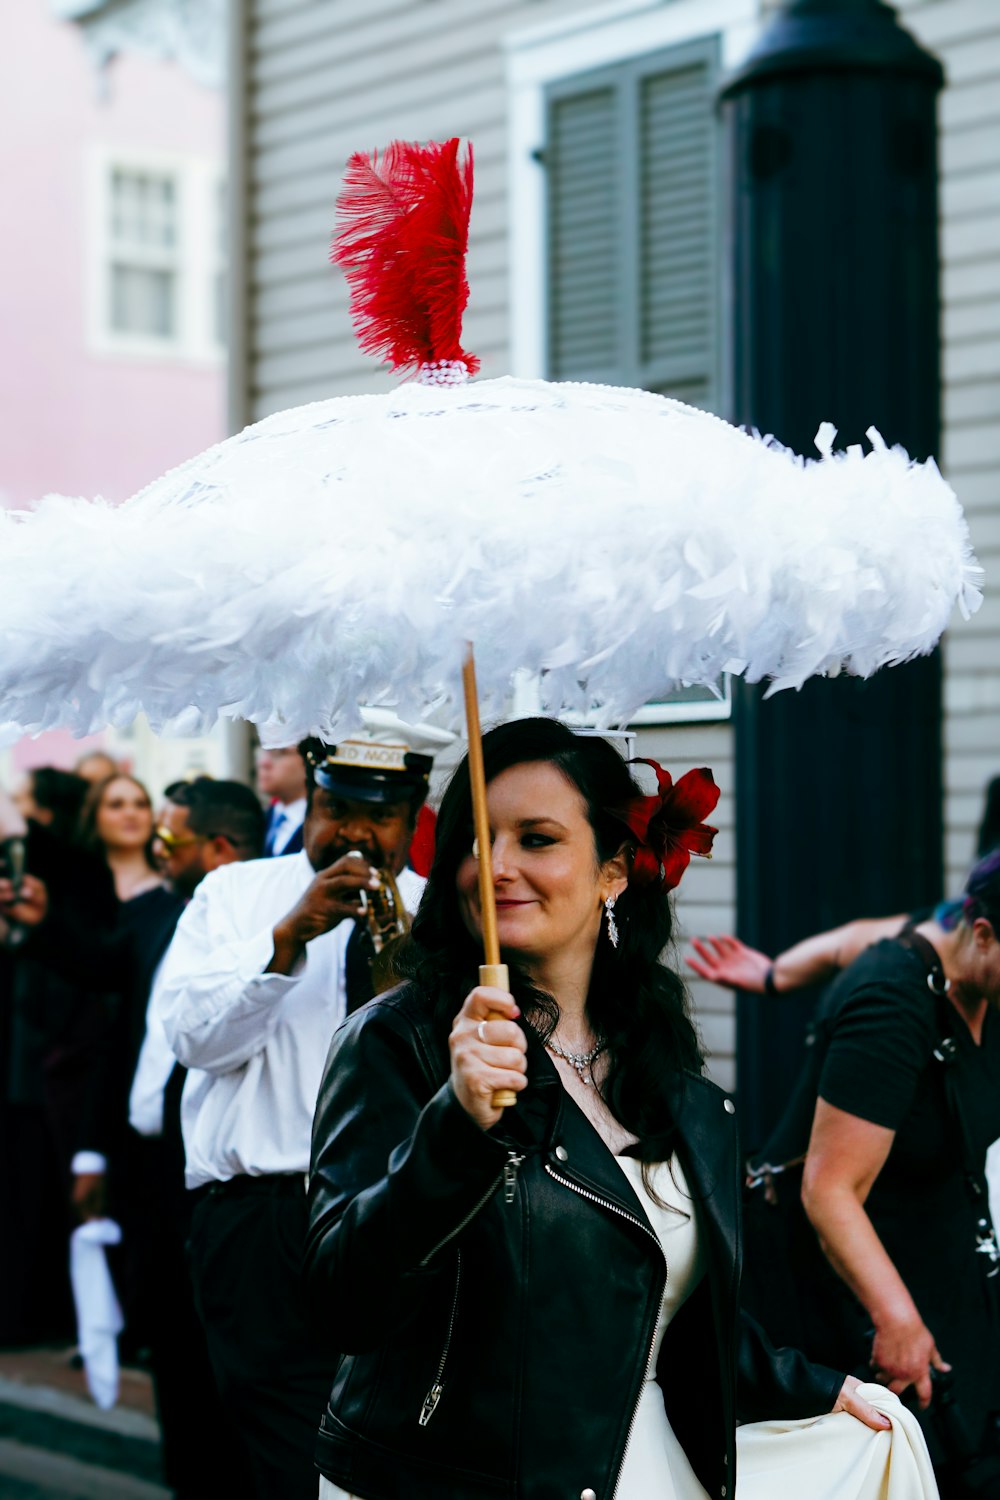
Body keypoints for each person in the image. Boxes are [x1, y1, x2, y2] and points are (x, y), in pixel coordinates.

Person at [305, 718, 894, 1500]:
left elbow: (651, 1304)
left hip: (639, 1465)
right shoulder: (399, 1044)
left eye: (537, 839)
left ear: (614, 872)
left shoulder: (662, 1066)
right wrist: (455, 1126)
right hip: (451, 1477)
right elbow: (342, 1302)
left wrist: (809, 1387)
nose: (497, 866)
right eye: (478, 841)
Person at [158, 728, 437, 1499]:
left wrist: (406, 980)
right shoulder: (235, 893)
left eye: (376, 817)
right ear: (309, 803)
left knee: (388, 1448)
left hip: (400, 1220)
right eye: (335, 808)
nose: (352, 833)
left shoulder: (439, 912)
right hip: (263, 1219)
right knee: (283, 1459)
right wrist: (284, 941)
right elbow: (191, 1040)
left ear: (412, 817)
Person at [743, 853, 1000, 1498]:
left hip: (937, 1251)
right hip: (853, 1289)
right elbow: (828, 1188)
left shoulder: (961, 936)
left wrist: (774, 974)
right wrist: (898, 1320)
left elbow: (853, 937)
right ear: (986, 934)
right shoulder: (892, 1001)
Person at [257, 745, 308, 856]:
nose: (264, 763)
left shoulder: (318, 825)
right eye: (264, 750)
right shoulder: (258, 819)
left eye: (280, 752)